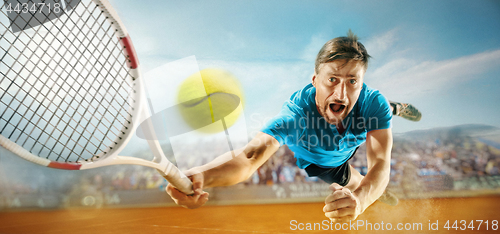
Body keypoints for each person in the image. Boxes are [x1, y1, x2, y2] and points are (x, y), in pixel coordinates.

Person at [166, 30, 421, 222]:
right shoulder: (294, 117)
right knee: (354, 182)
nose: (341, 93)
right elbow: (248, 157)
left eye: (353, 81)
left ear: (362, 82)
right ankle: (377, 190)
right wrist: (204, 175)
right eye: (332, 79)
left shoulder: (370, 102)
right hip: (325, 161)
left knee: (380, 112)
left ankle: (394, 108)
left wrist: (363, 201)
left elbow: (381, 164)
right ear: (315, 80)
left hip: (360, 127)